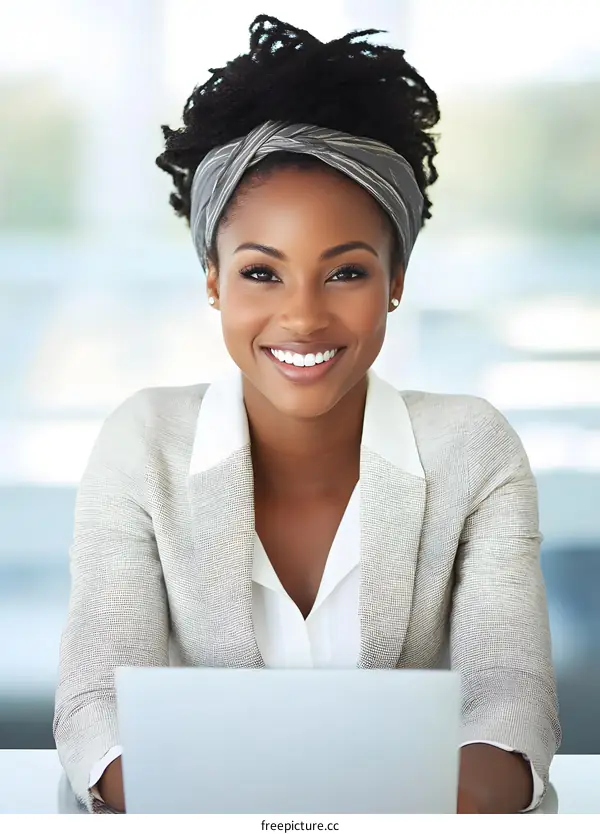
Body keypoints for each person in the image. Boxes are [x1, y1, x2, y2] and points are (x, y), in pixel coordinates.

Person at [53, 14, 560, 814]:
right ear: (213, 280)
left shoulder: (473, 448)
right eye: (262, 273)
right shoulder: (141, 444)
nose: (302, 318)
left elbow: (512, 704)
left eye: (346, 273)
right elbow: (93, 713)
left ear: (396, 279)